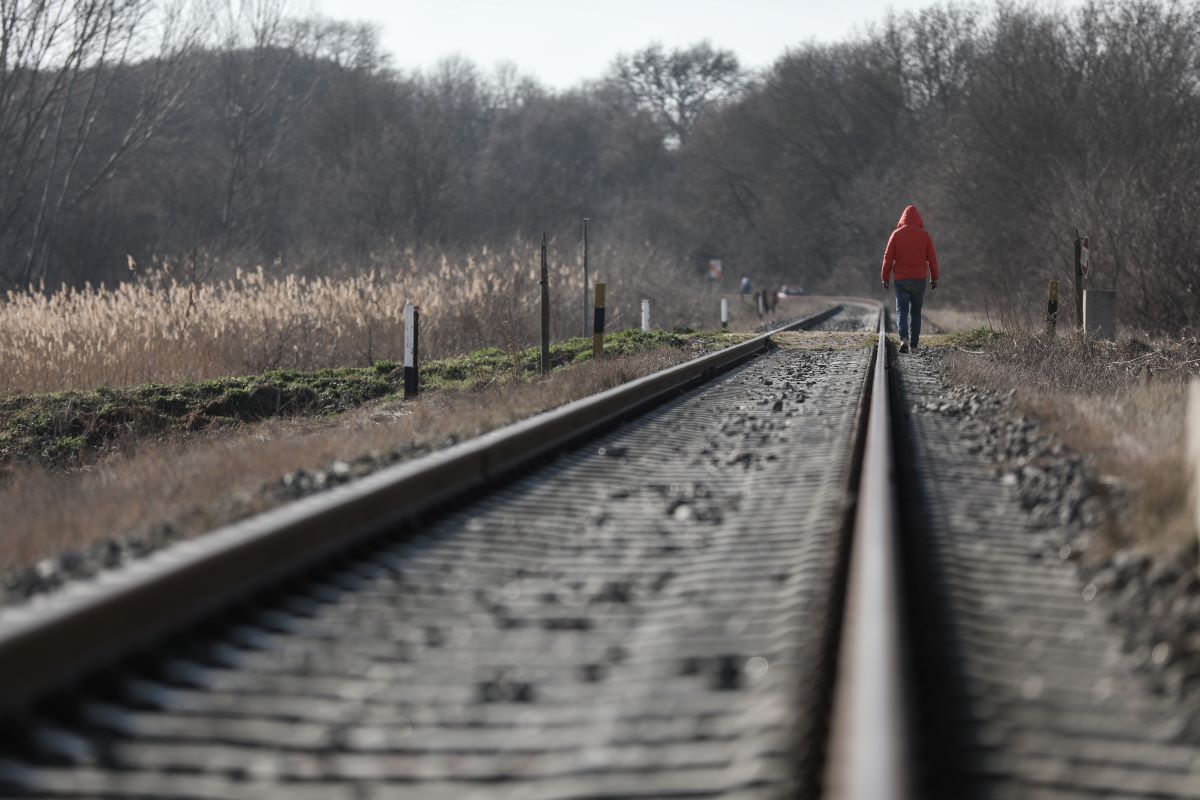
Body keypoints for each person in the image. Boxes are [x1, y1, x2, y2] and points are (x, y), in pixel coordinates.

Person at [880, 204, 939, 353]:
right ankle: (914, 345)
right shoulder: (925, 236)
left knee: (902, 311)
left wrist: (885, 277)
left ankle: (904, 339)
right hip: (919, 280)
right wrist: (934, 277)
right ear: (918, 219)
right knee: (916, 313)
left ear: (902, 219)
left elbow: (888, 259)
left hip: (901, 280)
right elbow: (932, 259)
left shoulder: (896, 234)